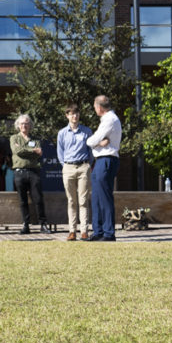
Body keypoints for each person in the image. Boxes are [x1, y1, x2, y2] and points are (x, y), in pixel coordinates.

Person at [86, 95, 121, 242]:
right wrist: (98, 143)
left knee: (105, 197)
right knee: (96, 197)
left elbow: (91, 140)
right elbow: (97, 141)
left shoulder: (109, 119)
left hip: (106, 159)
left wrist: (95, 142)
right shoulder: (107, 120)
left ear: (99, 107)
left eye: (95, 107)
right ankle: (98, 231)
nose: (95, 109)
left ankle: (108, 232)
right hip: (100, 160)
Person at [56, 103, 93, 241]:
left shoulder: (87, 131)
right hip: (68, 167)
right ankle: (72, 231)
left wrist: (88, 164)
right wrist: (65, 165)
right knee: (71, 200)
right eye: (71, 113)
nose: (75, 116)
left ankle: (84, 231)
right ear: (67, 115)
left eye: (76, 113)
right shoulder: (62, 133)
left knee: (83, 201)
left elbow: (91, 151)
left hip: (83, 167)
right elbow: (60, 152)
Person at [9, 114, 49, 234]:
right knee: (22, 200)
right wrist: (32, 151)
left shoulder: (35, 140)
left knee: (38, 198)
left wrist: (25, 150)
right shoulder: (14, 138)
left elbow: (39, 153)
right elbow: (17, 151)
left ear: (30, 125)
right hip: (19, 172)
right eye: (22, 123)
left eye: (26, 123)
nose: (24, 125)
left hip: (33, 172)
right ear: (18, 125)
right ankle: (26, 225)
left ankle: (43, 224)